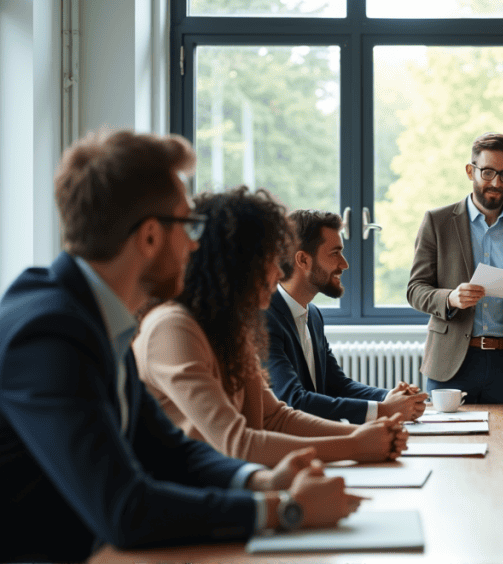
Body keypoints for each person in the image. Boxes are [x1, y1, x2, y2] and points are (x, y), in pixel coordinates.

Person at [0, 131, 360, 562]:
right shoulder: (49, 332)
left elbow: (168, 450)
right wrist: (283, 509)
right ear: (150, 237)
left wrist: (260, 481)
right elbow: (125, 510)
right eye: (188, 225)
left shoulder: (95, 317)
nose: (195, 244)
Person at [135, 187, 407, 466]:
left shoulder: (231, 328)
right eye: (270, 260)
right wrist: (354, 445)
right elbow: (238, 443)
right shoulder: (172, 328)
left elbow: (276, 417)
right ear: (236, 264)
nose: (280, 272)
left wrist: (366, 434)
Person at [407, 132, 503, 403]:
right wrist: (450, 298)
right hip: (451, 361)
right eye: (487, 172)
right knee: (449, 443)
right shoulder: (437, 222)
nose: (496, 182)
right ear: (470, 171)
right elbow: (415, 290)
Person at [265, 209, 428, 423]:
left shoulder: (312, 315)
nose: (344, 264)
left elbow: (338, 385)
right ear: (303, 260)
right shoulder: (264, 318)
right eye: (335, 253)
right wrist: (383, 411)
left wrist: (390, 398)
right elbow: (293, 401)